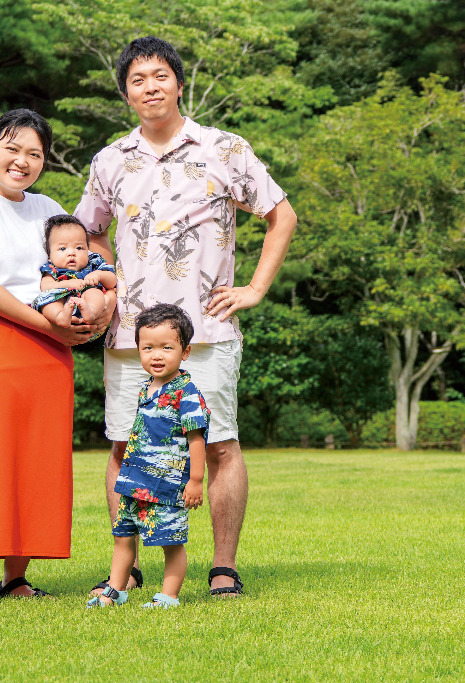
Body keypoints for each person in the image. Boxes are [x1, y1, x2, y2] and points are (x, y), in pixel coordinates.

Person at [75, 36, 296, 598]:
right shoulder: (110, 160)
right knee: (125, 444)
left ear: (177, 81)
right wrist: (107, 282)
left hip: (208, 326)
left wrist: (254, 288)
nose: (150, 86)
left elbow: (281, 214)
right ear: (126, 93)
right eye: (137, 80)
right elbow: (90, 230)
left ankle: (223, 567)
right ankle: (129, 565)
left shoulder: (224, 148)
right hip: (130, 332)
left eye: (159, 75)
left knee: (219, 443)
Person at [0, 108, 112, 599]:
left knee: (39, 458)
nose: (22, 161)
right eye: (12, 149)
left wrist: (94, 311)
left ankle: (16, 575)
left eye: (34, 153)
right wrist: (50, 326)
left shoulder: (48, 209)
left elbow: (82, 261)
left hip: (49, 345)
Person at [88, 304, 208, 610]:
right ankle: (116, 590)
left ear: (186, 351)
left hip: (166, 486)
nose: (157, 355)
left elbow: (196, 439)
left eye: (167, 347)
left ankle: (168, 596)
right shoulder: (145, 388)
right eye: (148, 348)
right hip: (134, 481)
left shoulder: (187, 393)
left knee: (171, 541)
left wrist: (195, 480)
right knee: (124, 536)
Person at [31, 214, 119, 329]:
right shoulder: (51, 268)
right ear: (50, 254)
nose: (71, 253)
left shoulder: (93, 263)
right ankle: (59, 316)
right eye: (62, 249)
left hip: (89, 309)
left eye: (79, 248)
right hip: (64, 308)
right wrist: (67, 284)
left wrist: (99, 275)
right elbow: (45, 287)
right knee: (47, 299)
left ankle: (91, 312)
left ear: (88, 249)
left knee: (95, 292)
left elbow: (112, 281)